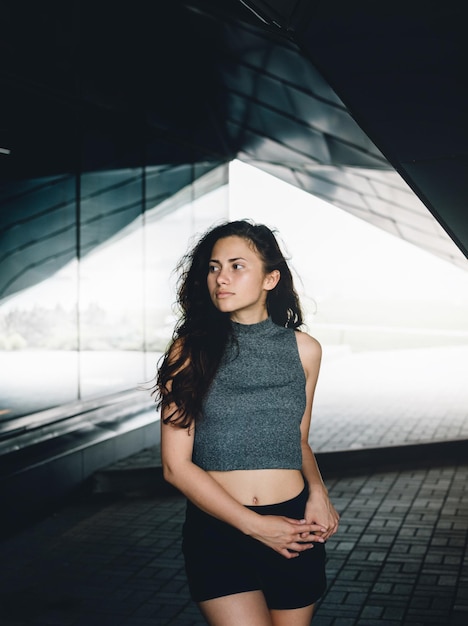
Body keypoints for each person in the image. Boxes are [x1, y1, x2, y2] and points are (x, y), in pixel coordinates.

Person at [155, 219, 339, 626]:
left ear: (270, 278)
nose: (221, 277)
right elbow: (175, 466)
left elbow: (298, 440)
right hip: (218, 531)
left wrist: (318, 493)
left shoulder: (305, 350)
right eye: (213, 267)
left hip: (294, 528)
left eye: (237, 266)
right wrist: (256, 527)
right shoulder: (189, 352)